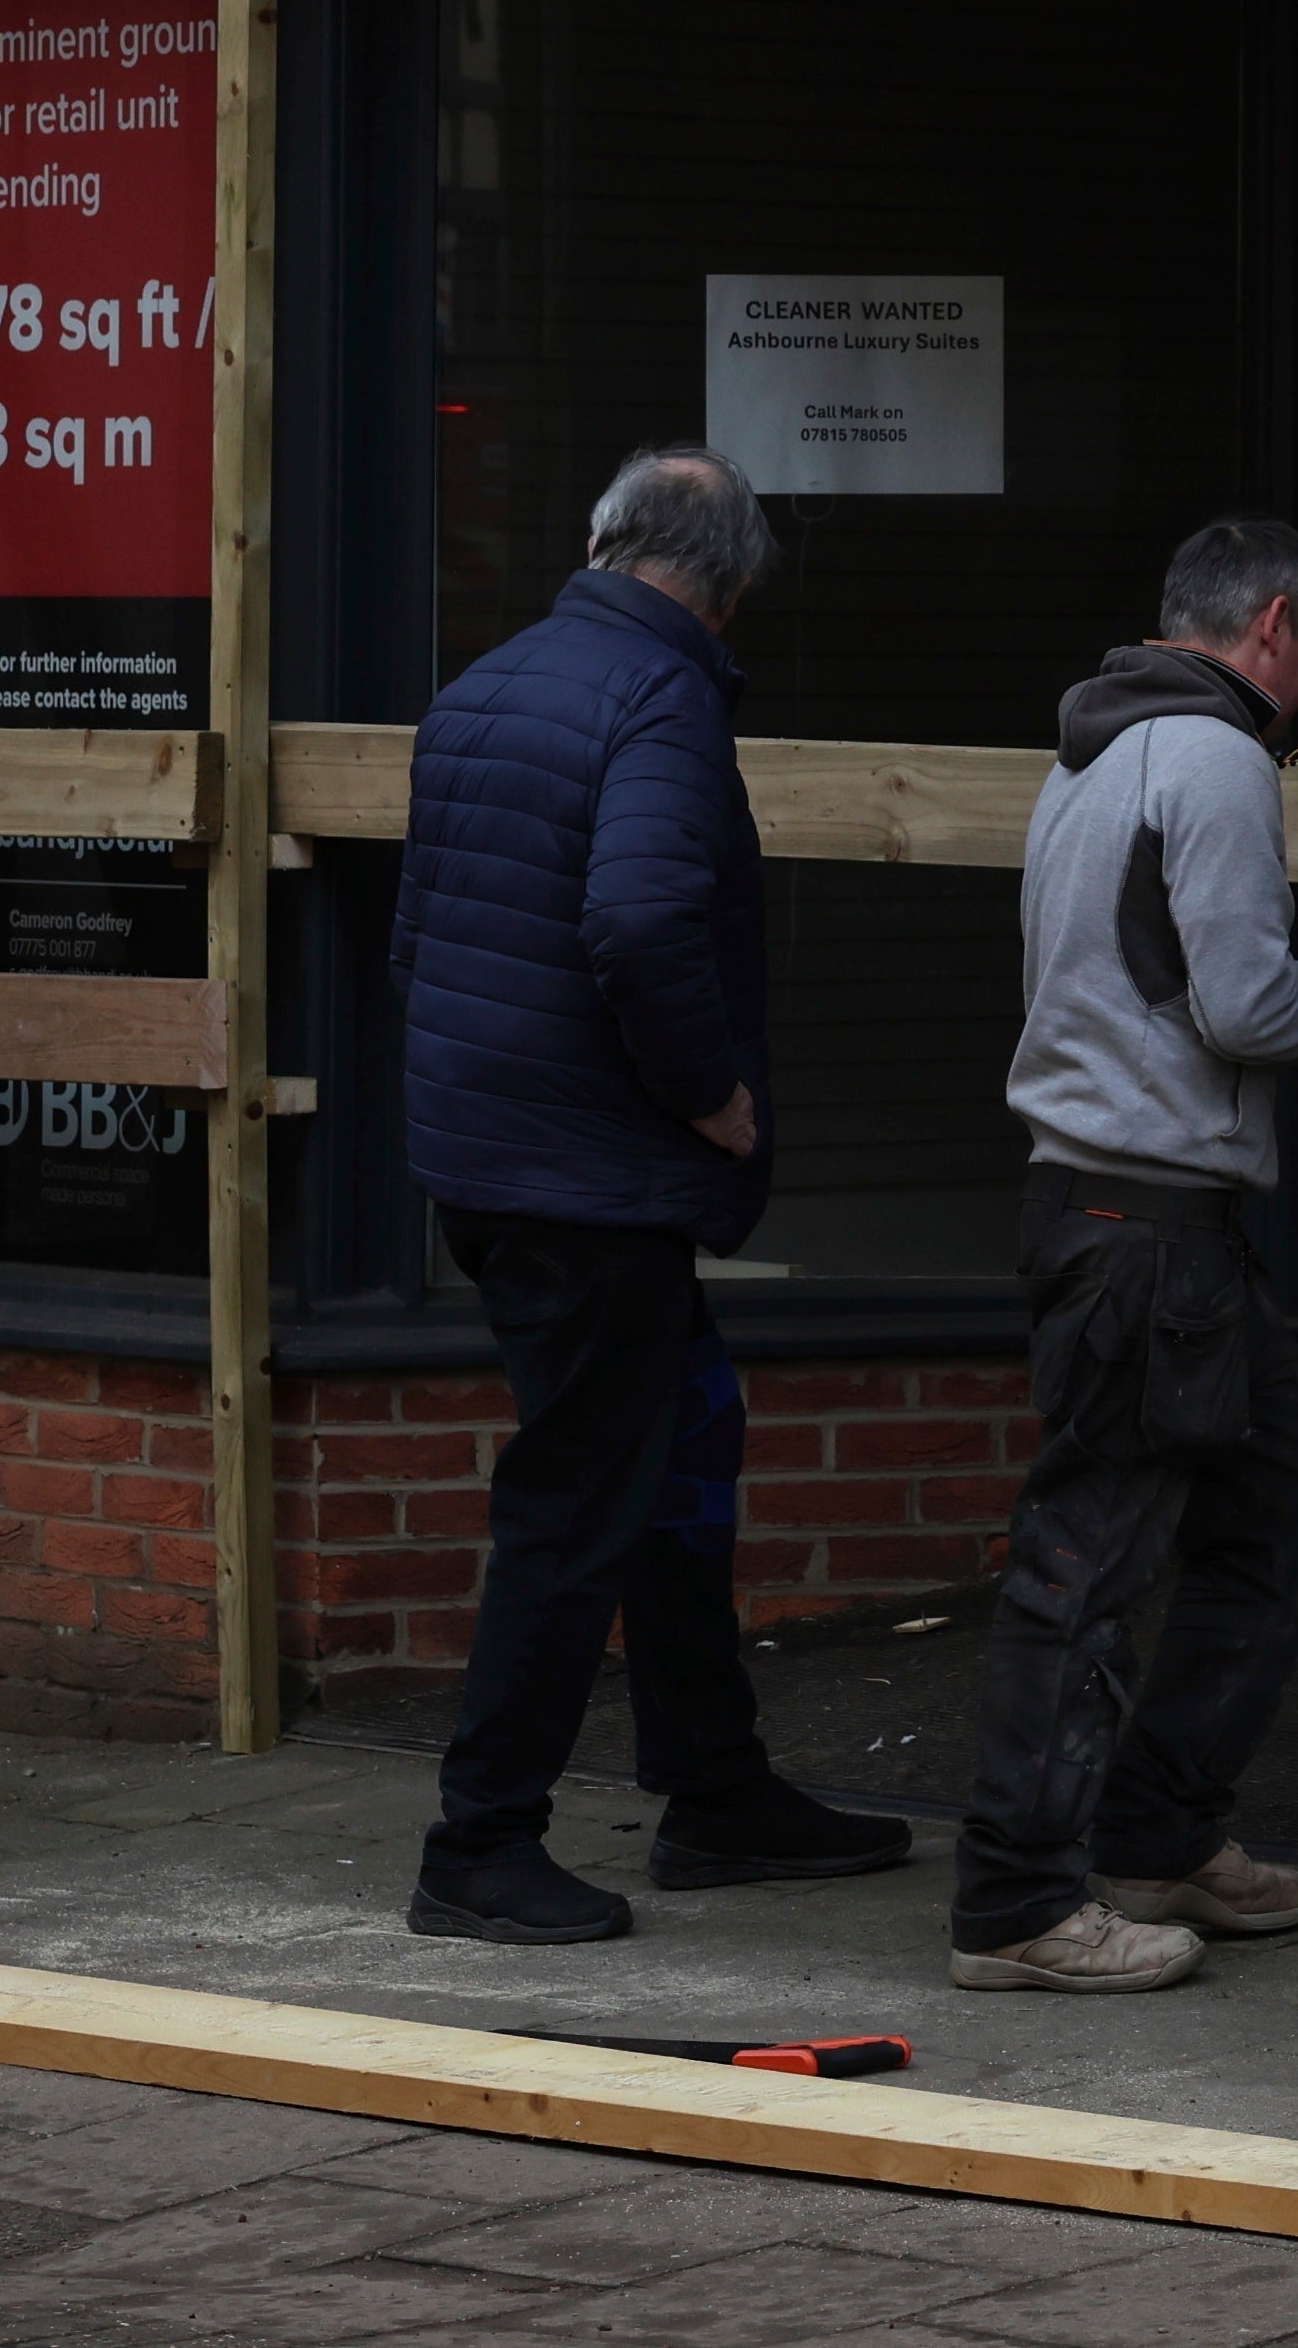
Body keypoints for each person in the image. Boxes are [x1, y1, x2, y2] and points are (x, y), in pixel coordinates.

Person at [387, 443, 917, 1944]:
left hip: (500, 1162)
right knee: (577, 1504)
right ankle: (477, 1845)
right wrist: (706, 1097)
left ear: (603, 535)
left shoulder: (488, 683)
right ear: (730, 583)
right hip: (593, 1181)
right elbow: (634, 920)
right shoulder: (660, 697)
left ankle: (717, 1790)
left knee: (680, 1457)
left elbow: (417, 939)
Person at [944, 514, 1298, 1994]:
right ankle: (1018, 1905)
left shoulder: (1089, 750)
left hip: (1125, 1217)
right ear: (1274, 623)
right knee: (1085, 1564)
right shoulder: (1213, 757)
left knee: (1271, 1520)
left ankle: (1157, 1837)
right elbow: (1236, 1008)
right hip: (1147, 1227)